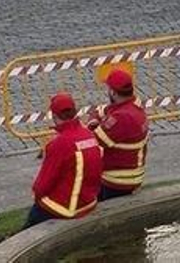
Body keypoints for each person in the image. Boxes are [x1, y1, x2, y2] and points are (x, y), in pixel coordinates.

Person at [24, 93, 102, 227]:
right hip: (89, 201)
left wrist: (38, 198)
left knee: (31, 221)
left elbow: (42, 185)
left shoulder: (60, 143)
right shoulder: (89, 135)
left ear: (54, 116)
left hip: (68, 208)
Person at [87, 68, 147, 198]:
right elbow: (100, 110)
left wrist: (93, 124)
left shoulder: (121, 118)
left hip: (117, 181)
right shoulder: (134, 105)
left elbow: (92, 141)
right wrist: (96, 120)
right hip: (133, 174)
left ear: (113, 92)